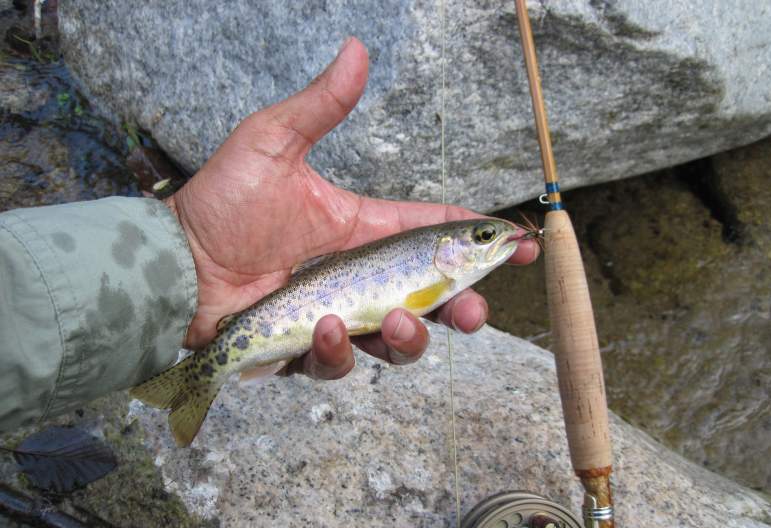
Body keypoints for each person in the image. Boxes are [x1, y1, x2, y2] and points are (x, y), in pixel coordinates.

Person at [0, 38, 537, 432]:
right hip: (263, 318)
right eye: (485, 235)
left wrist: (181, 255)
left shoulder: (440, 275)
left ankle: (198, 374)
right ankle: (201, 377)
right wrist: (191, 244)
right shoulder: (432, 281)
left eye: (486, 235)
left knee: (380, 331)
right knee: (388, 328)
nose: (499, 238)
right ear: (448, 248)